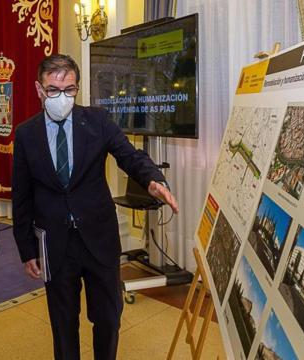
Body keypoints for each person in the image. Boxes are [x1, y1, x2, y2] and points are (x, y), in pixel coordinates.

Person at [12, 54, 179, 360]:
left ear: (78, 88)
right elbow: (21, 196)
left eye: (70, 90)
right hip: (55, 243)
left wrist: (153, 179)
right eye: (53, 90)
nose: (62, 98)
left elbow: (130, 156)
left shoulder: (98, 121)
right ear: (39, 89)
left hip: (99, 240)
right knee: (63, 324)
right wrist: (26, 249)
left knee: (107, 318)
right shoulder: (26, 134)